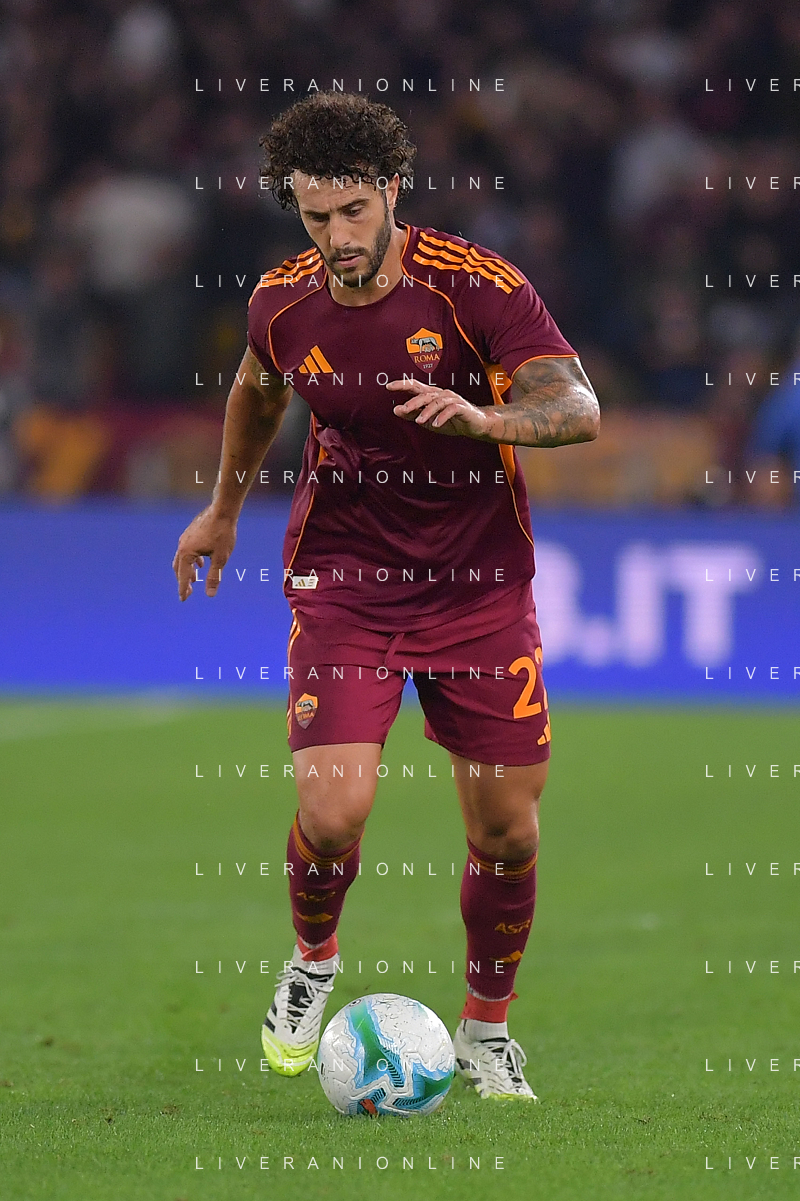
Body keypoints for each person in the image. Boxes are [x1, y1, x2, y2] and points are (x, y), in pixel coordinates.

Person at [173, 92, 600, 1100]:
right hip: (347, 579)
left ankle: (485, 1031)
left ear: (392, 191)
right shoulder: (281, 302)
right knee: (332, 813)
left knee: (506, 830)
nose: (336, 237)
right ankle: (312, 960)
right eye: (315, 216)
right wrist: (223, 510)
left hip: (477, 588)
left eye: (353, 212)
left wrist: (486, 418)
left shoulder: (475, 286)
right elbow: (259, 391)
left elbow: (576, 406)